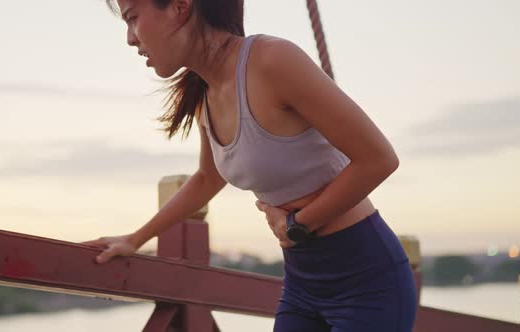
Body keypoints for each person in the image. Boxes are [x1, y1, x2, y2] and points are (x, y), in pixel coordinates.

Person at [81, 0, 417, 330]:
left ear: (180, 7)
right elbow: (206, 179)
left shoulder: (272, 60)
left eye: (132, 18)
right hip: (303, 285)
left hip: (368, 281)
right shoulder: (205, 94)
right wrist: (135, 239)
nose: (130, 38)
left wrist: (298, 224)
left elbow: (379, 159)